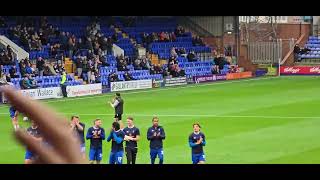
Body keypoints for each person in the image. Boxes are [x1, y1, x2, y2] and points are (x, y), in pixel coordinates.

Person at [1, 85, 86, 164]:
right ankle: (16, 127)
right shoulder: (29, 129)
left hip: (40, 147)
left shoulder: (41, 131)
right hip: (32, 148)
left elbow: (42, 138)